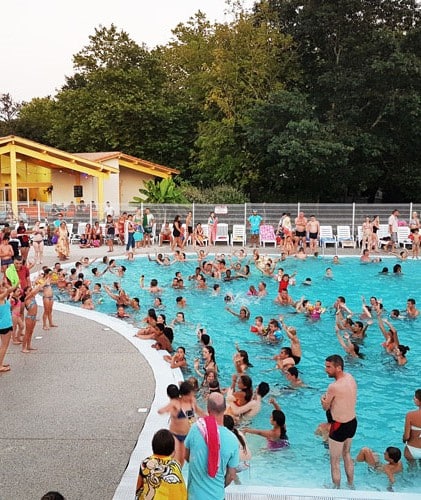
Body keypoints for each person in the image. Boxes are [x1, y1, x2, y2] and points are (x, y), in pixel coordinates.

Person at [184, 392, 239, 500]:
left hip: (194, 496)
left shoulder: (196, 429)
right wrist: (219, 487)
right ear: (225, 409)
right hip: (217, 496)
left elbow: (186, 455)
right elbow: (231, 475)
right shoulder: (232, 439)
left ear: (208, 409)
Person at [321, 354, 357, 488]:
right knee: (347, 454)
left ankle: (337, 490)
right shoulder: (350, 378)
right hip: (352, 422)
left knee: (334, 461)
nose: (326, 369)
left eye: (329, 367)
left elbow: (326, 407)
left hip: (339, 425)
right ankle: (351, 485)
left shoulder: (333, 386)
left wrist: (323, 400)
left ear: (338, 368)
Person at [136, 428, 187, 500]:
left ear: (153, 447)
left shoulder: (146, 463)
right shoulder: (175, 465)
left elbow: (139, 487)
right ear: (173, 451)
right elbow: (180, 489)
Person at [0, 282, 16, 372]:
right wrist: (17, 282)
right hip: (5, 325)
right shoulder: (1, 298)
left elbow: (9, 292)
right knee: (4, 346)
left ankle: (1, 362)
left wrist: (5, 285)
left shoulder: (3, 298)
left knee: (3, 345)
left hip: (4, 323)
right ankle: (0, 365)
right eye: (1, 287)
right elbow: (9, 290)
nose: (3, 287)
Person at [403, 388, 421, 462]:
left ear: (419, 401)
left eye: (415, 398)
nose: (414, 399)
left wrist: (404, 439)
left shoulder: (410, 415)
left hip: (412, 450)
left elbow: (407, 436)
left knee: (411, 471)